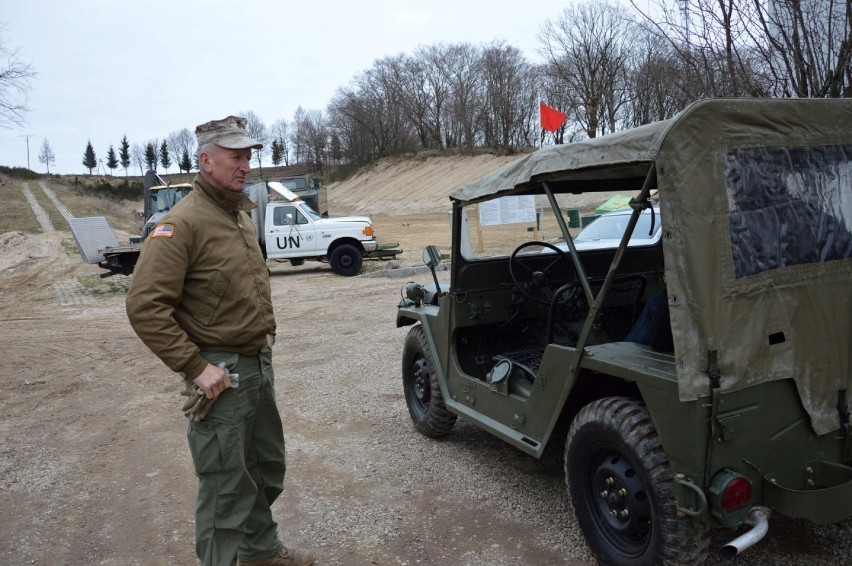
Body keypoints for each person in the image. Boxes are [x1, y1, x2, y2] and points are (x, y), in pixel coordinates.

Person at [126, 116, 314, 566]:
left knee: (265, 470)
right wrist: (195, 367)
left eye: (249, 155)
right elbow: (144, 306)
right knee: (225, 487)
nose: (246, 164)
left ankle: (259, 551)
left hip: (255, 365)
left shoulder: (239, 216)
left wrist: (263, 332)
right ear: (206, 160)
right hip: (219, 375)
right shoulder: (182, 223)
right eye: (236, 156)